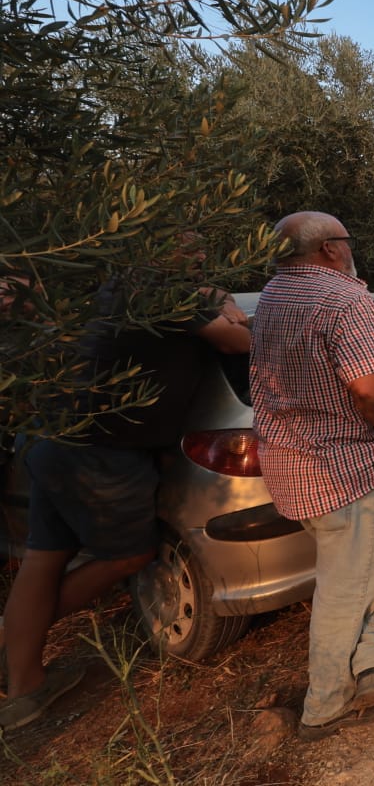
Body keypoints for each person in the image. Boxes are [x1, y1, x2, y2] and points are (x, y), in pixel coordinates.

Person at [0, 263, 250, 731]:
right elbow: (239, 343)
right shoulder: (162, 285)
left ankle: (25, 687)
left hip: (51, 437)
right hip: (101, 450)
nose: (199, 246)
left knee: (44, 558)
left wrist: (222, 300)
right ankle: (16, 645)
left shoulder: (119, 281)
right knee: (130, 554)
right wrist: (230, 308)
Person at [250, 212, 374, 742]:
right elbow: (368, 389)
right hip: (349, 470)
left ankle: (371, 669)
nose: (351, 250)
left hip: (295, 471)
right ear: (329, 249)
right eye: (347, 241)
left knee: (366, 570)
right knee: (346, 591)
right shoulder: (344, 299)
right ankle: (325, 703)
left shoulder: (271, 296)